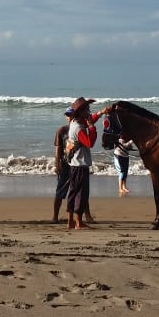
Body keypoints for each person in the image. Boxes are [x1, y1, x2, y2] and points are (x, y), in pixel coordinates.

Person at [64, 97, 101, 230]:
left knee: (73, 192)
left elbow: (90, 120)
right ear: (81, 112)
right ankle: (78, 222)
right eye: (87, 109)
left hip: (74, 164)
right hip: (80, 164)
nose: (89, 112)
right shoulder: (79, 127)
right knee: (81, 193)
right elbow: (89, 143)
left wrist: (100, 114)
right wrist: (92, 127)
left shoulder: (74, 123)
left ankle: (70, 222)